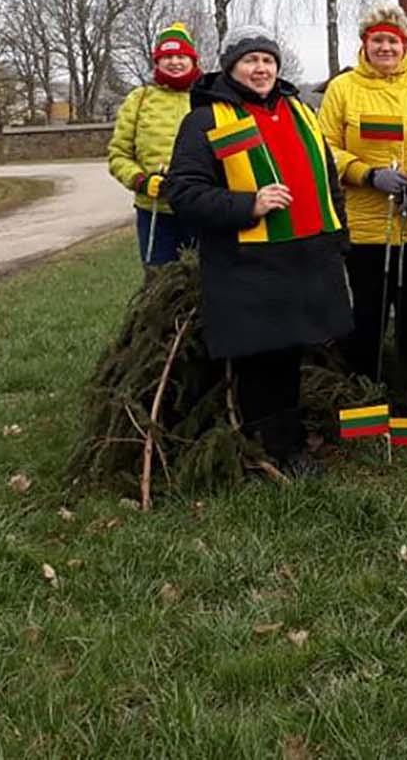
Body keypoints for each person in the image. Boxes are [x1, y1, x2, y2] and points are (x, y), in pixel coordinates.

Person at [163, 24, 351, 477]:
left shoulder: (301, 111)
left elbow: (328, 181)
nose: (261, 68)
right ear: (231, 67)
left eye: (268, 60)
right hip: (248, 267)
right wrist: (248, 204)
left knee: (290, 359)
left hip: (306, 259)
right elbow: (183, 192)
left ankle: (290, 441)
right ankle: (273, 450)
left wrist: (339, 238)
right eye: (250, 60)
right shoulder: (205, 120)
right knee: (262, 364)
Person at [318, 4, 407, 408]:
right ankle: (367, 395)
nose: (385, 47)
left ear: (405, 44)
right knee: (368, 318)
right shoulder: (343, 88)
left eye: (393, 40)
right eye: (377, 40)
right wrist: (366, 173)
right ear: (365, 43)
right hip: (366, 227)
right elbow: (324, 148)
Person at [107, 22, 200, 265]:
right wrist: (141, 181)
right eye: (167, 57)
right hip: (155, 212)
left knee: (206, 278)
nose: (175, 62)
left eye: (181, 56)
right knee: (160, 278)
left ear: (192, 60)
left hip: (202, 209)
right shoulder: (139, 99)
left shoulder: (208, 98)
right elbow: (118, 155)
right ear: (157, 62)